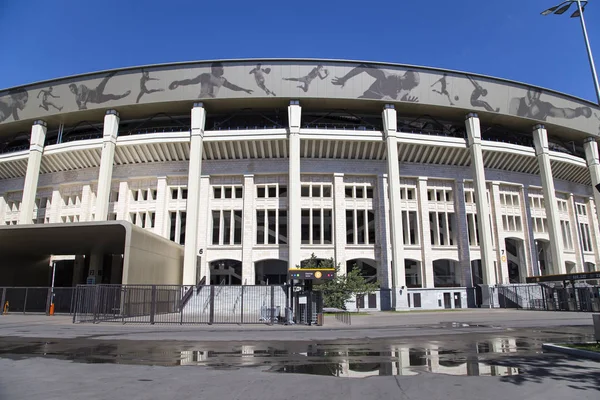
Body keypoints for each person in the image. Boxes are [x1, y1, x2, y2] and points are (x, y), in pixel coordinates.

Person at [331, 64, 420, 101]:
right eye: (410, 85)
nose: (410, 88)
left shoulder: (407, 89)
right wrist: (345, 78)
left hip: (380, 109)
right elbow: (364, 66)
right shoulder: (388, 77)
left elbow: (399, 100)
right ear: (405, 78)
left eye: (413, 87)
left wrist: (406, 102)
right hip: (367, 99)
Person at [168, 62, 253, 98]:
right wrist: (178, 82)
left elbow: (232, 87)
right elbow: (191, 81)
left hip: (212, 99)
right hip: (203, 98)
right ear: (213, 69)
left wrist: (244, 89)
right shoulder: (206, 76)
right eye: (217, 69)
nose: (220, 71)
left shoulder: (222, 80)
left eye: (220, 69)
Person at [509, 87, 592, 121]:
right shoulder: (517, 102)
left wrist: (579, 112)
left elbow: (563, 113)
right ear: (529, 90)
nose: (536, 95)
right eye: (534, 91)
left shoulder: (544, 106)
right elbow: (512, 123)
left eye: (538, 93)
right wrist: (530, 114)